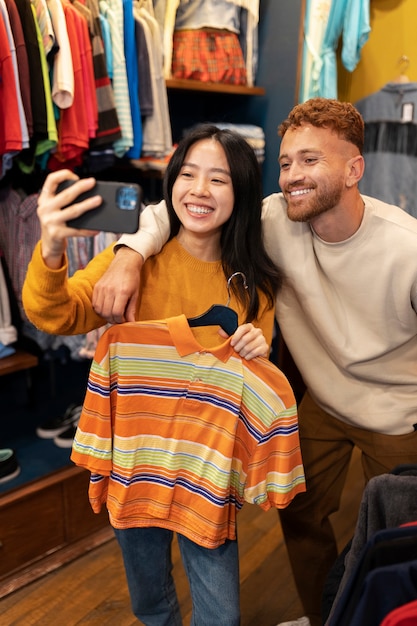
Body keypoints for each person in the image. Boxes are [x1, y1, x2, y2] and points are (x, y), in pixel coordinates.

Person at [91, 98, 417, 626]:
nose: (292, 176)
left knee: (399, 535)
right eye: (286, 163)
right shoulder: (276, 218)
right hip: (324, 404)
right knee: (300, 515)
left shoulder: (407, 248)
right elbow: (177, 206)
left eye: (310, 161)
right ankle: (323, 616)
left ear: (354, 169)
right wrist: (129, 256)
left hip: (403, 413)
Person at [22, 124, 306, 625]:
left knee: (221, 612)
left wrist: (259, 348)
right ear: (171, 180)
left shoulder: (253, 283)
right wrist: (50, 248)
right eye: (188, 174)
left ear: (240, 191)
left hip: (206, 475)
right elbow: (56, 315)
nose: (199, 190)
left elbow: (252, 376)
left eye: (218, 179)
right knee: (150, 603)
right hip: (138, 467)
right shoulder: (132, 261)